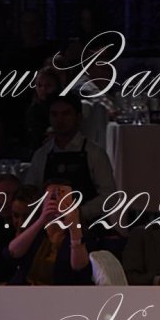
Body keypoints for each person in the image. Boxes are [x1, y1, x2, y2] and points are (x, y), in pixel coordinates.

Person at [25, 92, 117, 224]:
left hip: (88, 225)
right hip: (49, 225)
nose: (59, 120)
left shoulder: (94, 153)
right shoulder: (41, 155)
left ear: (78, 117)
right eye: (54, 114)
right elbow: (30, 192)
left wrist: (81, 213)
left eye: (66, 114)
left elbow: (110, 196)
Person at [5, 178, 94, 286]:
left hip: (60, 292)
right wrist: (42, 218)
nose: (57, 202)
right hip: (26, 289)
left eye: (63, 197)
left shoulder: (82, 235)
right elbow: (12, 253)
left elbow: (80, 269)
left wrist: (74, 228)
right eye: (52, 197)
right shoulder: (36, 231)